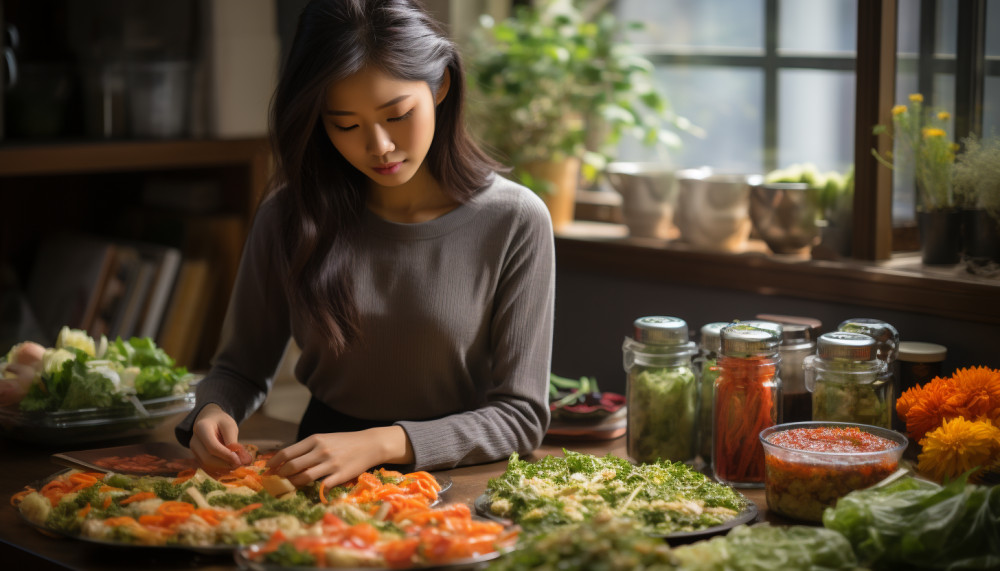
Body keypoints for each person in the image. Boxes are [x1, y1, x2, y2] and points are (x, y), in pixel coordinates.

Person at [174, 0, 555, 491]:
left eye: (397, 115)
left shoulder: (515, 220)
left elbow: (521, 418)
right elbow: (239, 369)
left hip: (459, 483)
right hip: (316, 482)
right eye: (346, 125)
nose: (379, 146)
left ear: (440, 86)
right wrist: (211, 410)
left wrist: (380, 443)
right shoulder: (290, 215)